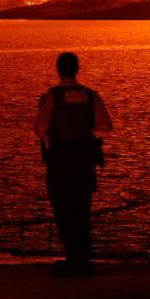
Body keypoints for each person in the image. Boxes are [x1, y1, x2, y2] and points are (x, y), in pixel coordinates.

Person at [34, 51, 113, 277]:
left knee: (64, 210)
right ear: (77, 69)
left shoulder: (52, 96)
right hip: (84, 161)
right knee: (82, 209)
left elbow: (40, 130)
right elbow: (105, 126)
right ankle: (83, 260)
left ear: (58, 70)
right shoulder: (90, 95)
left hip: (60, 161)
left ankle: (72, 260)